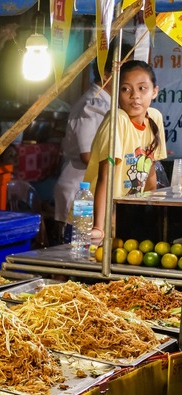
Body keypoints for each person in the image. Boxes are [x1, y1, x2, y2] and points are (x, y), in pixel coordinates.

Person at [84, 60, 167, 245]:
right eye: (125, 89)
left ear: (154, 91)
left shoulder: (155, 118)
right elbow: (106, 175)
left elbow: (150, 171)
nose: (135, 96)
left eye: (142, 88)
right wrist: (99, 226)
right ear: (116, 92)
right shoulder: (118, 120)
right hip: (100, 212)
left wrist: (153, 212)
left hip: (127, 213)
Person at [53, 45, 125, 243]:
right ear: (108, 73)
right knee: (75, 257)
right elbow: (87, 155)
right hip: (81, 189)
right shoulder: (91, 105)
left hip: (95, 189)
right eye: (125, 69)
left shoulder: (110, 103)